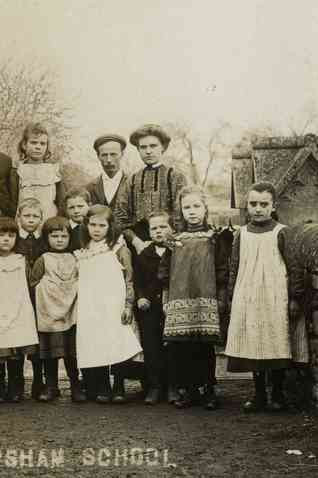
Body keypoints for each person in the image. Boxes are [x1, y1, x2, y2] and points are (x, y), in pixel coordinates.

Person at [226, 182, 308, 412]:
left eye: (264, 204)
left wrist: (294, 297)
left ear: (273, 206)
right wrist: (232, 296)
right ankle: (259, 393)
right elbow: (234, 266)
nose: (258, 209)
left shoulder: (281, 232)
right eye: (253, 204)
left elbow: (294, 267)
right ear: (247, 205)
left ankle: (278, 394)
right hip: (248, 295)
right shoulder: (241, 234)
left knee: (275, 340)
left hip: (274, 295)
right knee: (253, 341)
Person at [159, 186, 228, 410]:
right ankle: (187, 390)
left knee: (204, 347)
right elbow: (165, 272)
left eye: (196, 206)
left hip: (204, 299)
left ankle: (208, 389)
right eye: (187, 207)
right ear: (180, 210)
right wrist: (166, 298)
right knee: (182, 348)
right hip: (180, 299)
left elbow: (221, 269)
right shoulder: (175, 240)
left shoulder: (214, 238)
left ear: (205, 209)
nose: (192, 211)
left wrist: (220, 297)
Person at [75, 205, 141, 404]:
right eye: (92, 225)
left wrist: (128, 305)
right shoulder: (83, 251)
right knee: (96, 344)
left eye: (101, 225)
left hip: (113, 304)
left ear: (110, 226)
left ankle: (118, 385)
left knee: (116, 342)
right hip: (91, 306)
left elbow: (129, 278)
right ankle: (102, 385)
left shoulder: (118, 248)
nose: (96, 229)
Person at [0, 217, 39, 403]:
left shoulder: (21, 260)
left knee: (16, 347)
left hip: (19, 307)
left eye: (11, 235)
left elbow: (29, 285)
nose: (6, 239)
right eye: (1, 234)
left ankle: (16, 386)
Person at [114, 124, 187, 255]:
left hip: (172, 246)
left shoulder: (175, 177)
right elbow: (120, 218)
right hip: (140, 247)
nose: (148, 151)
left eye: (153, 146)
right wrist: (136, 242)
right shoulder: (132, 180)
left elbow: (182, 215)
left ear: (163, 147)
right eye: (143, 147)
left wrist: (171, 242)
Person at [31, 217, 82, 402]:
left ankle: (76, 384)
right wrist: (48, 288)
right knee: (50, 353)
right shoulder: (42, 259)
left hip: (70, 312)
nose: (59, 240)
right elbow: (33, 282)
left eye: (63, 236)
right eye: (54, 236)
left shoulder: (76, 257)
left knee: (71, 353)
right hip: (49, 314)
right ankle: (51, 386)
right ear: (47, 238)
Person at [134, 211, 173, 405]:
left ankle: (173, 386)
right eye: (154, 228)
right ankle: (154, 386)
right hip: (150, 308)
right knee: (151, 346)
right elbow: (138, 281)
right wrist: (141, 297)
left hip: (171, 306)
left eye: (163, 227)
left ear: (171, 228)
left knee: (172, 346)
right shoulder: (144, 255)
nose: (159, 231)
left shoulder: (177, 250)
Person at [13, 197, 48, 398]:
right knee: (17, 337)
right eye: (27, 215)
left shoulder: (44, 240)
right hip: (17, 294)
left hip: (39, 296)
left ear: (41, 218)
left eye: (35, 216)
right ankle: (16, 383)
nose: (31, 220)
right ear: (19, 217)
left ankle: (38, 380)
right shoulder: (14, 239)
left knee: (37, 340)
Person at [11, 122, 64, 220]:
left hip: (49, 222)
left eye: (42, 143)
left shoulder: (54, 171)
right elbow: (13, 202)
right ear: (24, 145)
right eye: (34, 142)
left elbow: (61, 202)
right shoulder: (17, 171)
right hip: (24, 223)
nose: (38, 147)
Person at [85, 134, 128, 209]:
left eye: (113, 154)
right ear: (98, 156)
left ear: (122, 154)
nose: (109, 160)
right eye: (104, 155)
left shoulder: (134, 184)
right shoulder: (89, 188)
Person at [63, 188, 91, 252]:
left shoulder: (94, 227)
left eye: (80, 206)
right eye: (71, 207)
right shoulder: (64, 228)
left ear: (89, 205)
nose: (76, 211)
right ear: (66, 210)